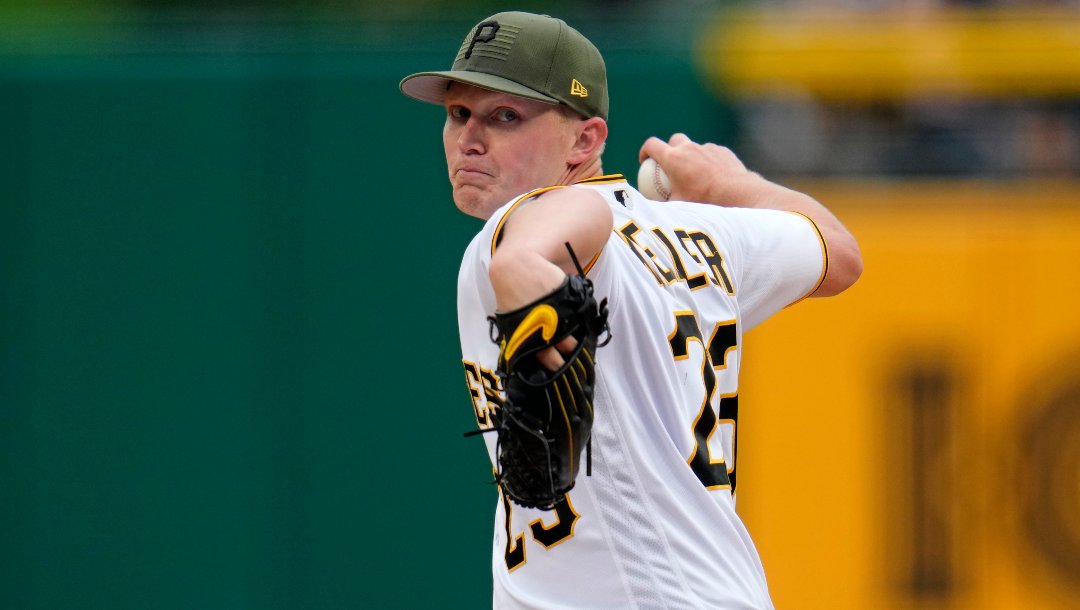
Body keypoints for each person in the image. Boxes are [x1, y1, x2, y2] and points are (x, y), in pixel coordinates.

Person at [400, 11, 862, 609]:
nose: (470, 139)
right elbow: (839, 252)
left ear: (585, 140)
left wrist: (524, 263)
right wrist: (735, 184)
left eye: (505, 116)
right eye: (458, 113)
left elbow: (577, 217)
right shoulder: (703, 235)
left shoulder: (526, 225)